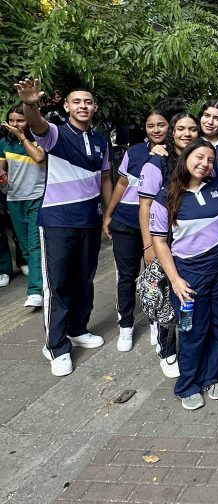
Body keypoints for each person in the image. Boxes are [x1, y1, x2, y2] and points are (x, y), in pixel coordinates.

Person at [15, 79, 112, 377]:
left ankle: (78, 329)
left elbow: (105, 178)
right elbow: (37, 124)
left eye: (88, 102)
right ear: (67, 107)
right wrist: (30, 104)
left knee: (84, 280)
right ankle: (56, 346)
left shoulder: (101, 139)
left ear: (95, 107)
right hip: (57, 221)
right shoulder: (56, 134)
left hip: (89, 220)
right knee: (58, 284)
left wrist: (108, 214)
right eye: (77, 102)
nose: (83, 106)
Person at [150, 139, 218, 410]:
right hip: (189, 277)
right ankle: (187, 385)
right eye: (199, 157)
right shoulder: (166, 196)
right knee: (191, 329)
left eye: (210, 160)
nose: (205, 163)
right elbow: (159, 242)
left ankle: (210, 378)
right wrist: (175, 280)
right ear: (186, 157)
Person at [102, 109, 170, 352]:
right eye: (151, 125)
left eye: (161, 124)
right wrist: (108, 214)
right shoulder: (134, 152)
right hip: (126, 223)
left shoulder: (175, 154)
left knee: (155, 275)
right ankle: (126, 324)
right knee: (126, 276)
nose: (156, 129)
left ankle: (155, 320)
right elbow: (121, 184)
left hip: (157, 227)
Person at [138, 113, 200, 378]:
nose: (187, 134)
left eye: (192, 129)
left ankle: (185, 347)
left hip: (188, 242)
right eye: (181, 129)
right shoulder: (158, 162)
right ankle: (166, 350)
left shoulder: (199, 160)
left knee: (183, 296)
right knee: (165, 297)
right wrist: (148, 246)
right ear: (172, 132)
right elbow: (145, 206)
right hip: (162, 240)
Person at [0, 105, 46, 307]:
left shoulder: (41, 139)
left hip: (38, 197)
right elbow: (2, 169)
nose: (15, 124)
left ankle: (35, 291)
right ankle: (44, 275)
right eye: (12, 120)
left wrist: (22, 137)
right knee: (25, 246)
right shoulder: (4, 143)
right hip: (14, 198)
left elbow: (39, 157)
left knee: (35, 245)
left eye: (20, 120)